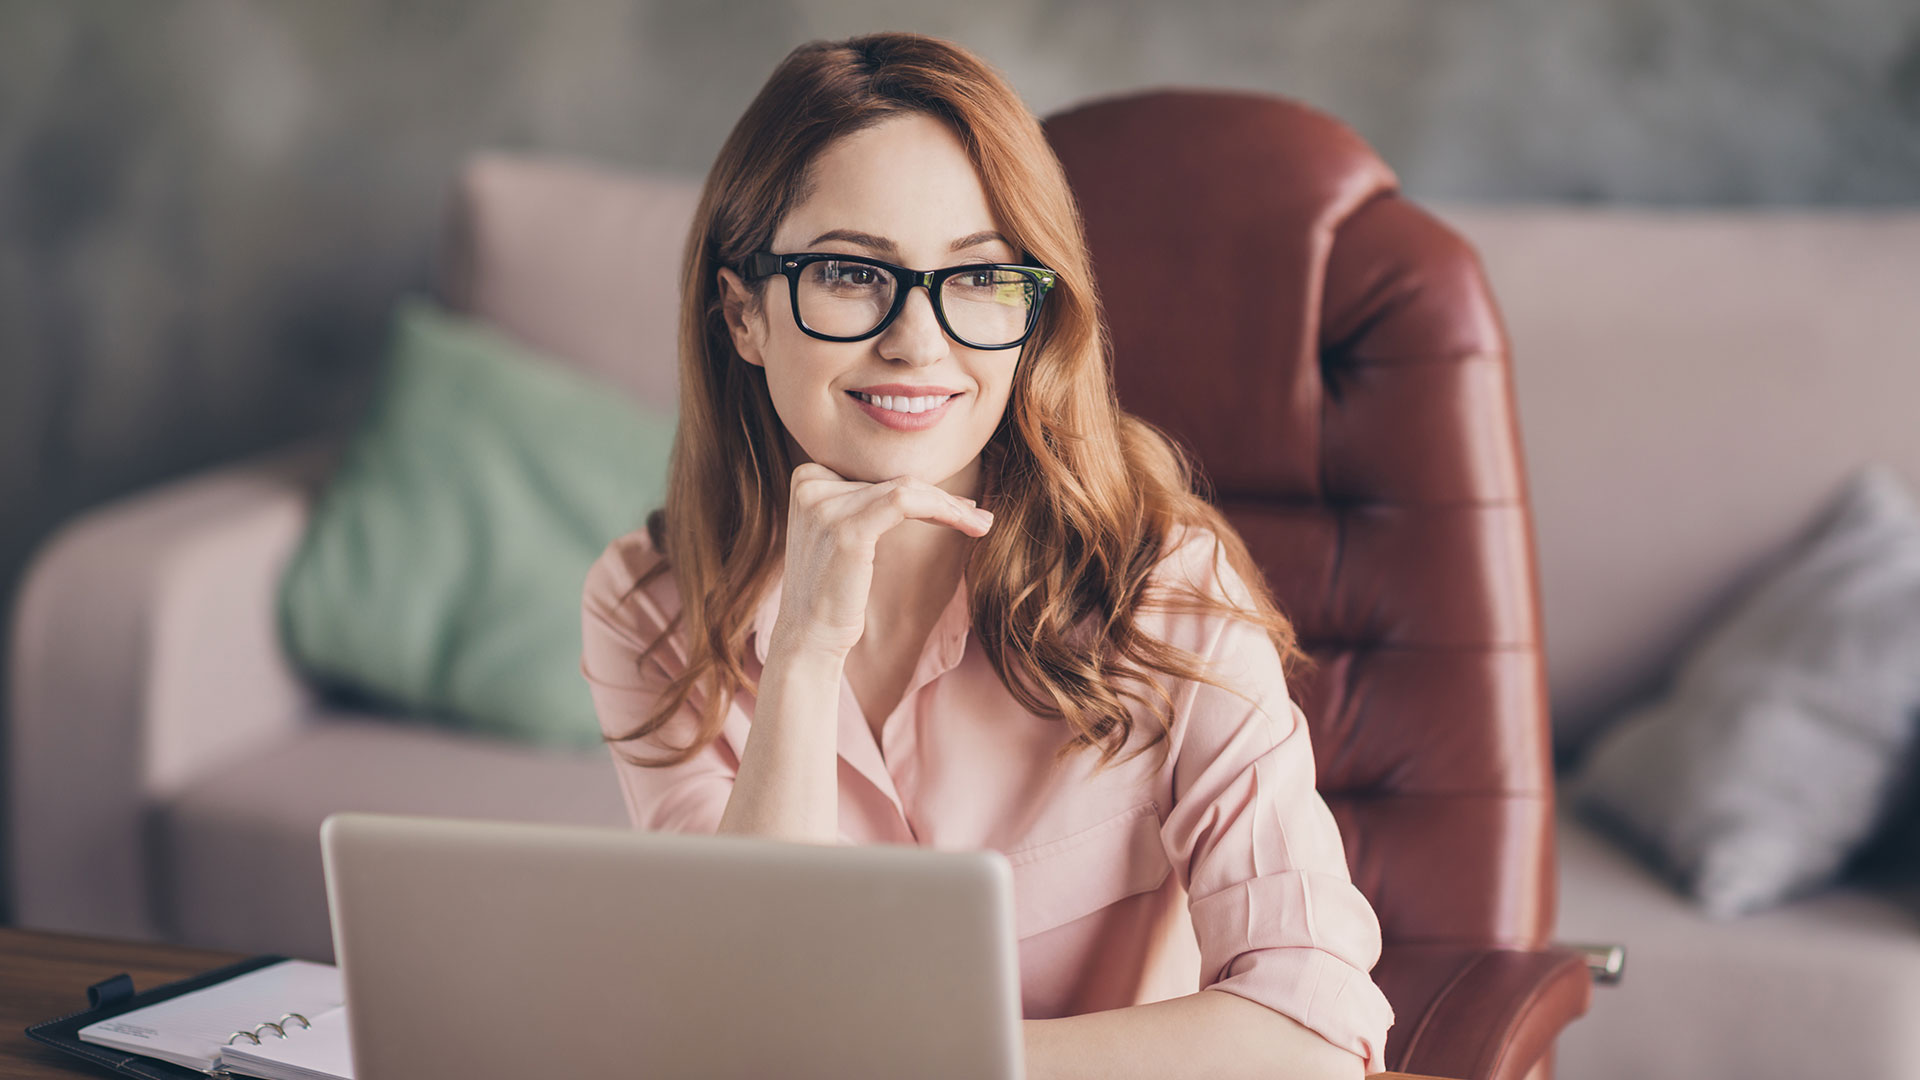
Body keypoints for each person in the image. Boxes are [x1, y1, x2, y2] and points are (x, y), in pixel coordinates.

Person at [579, 31, 1394, 1080]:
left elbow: (1317, 1035)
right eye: (847, 272)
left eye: (978, 278)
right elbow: (745, 1022)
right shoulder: (646, 605)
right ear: (743, 313)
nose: (918, 342)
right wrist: (806, 652)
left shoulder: (1164, 586)